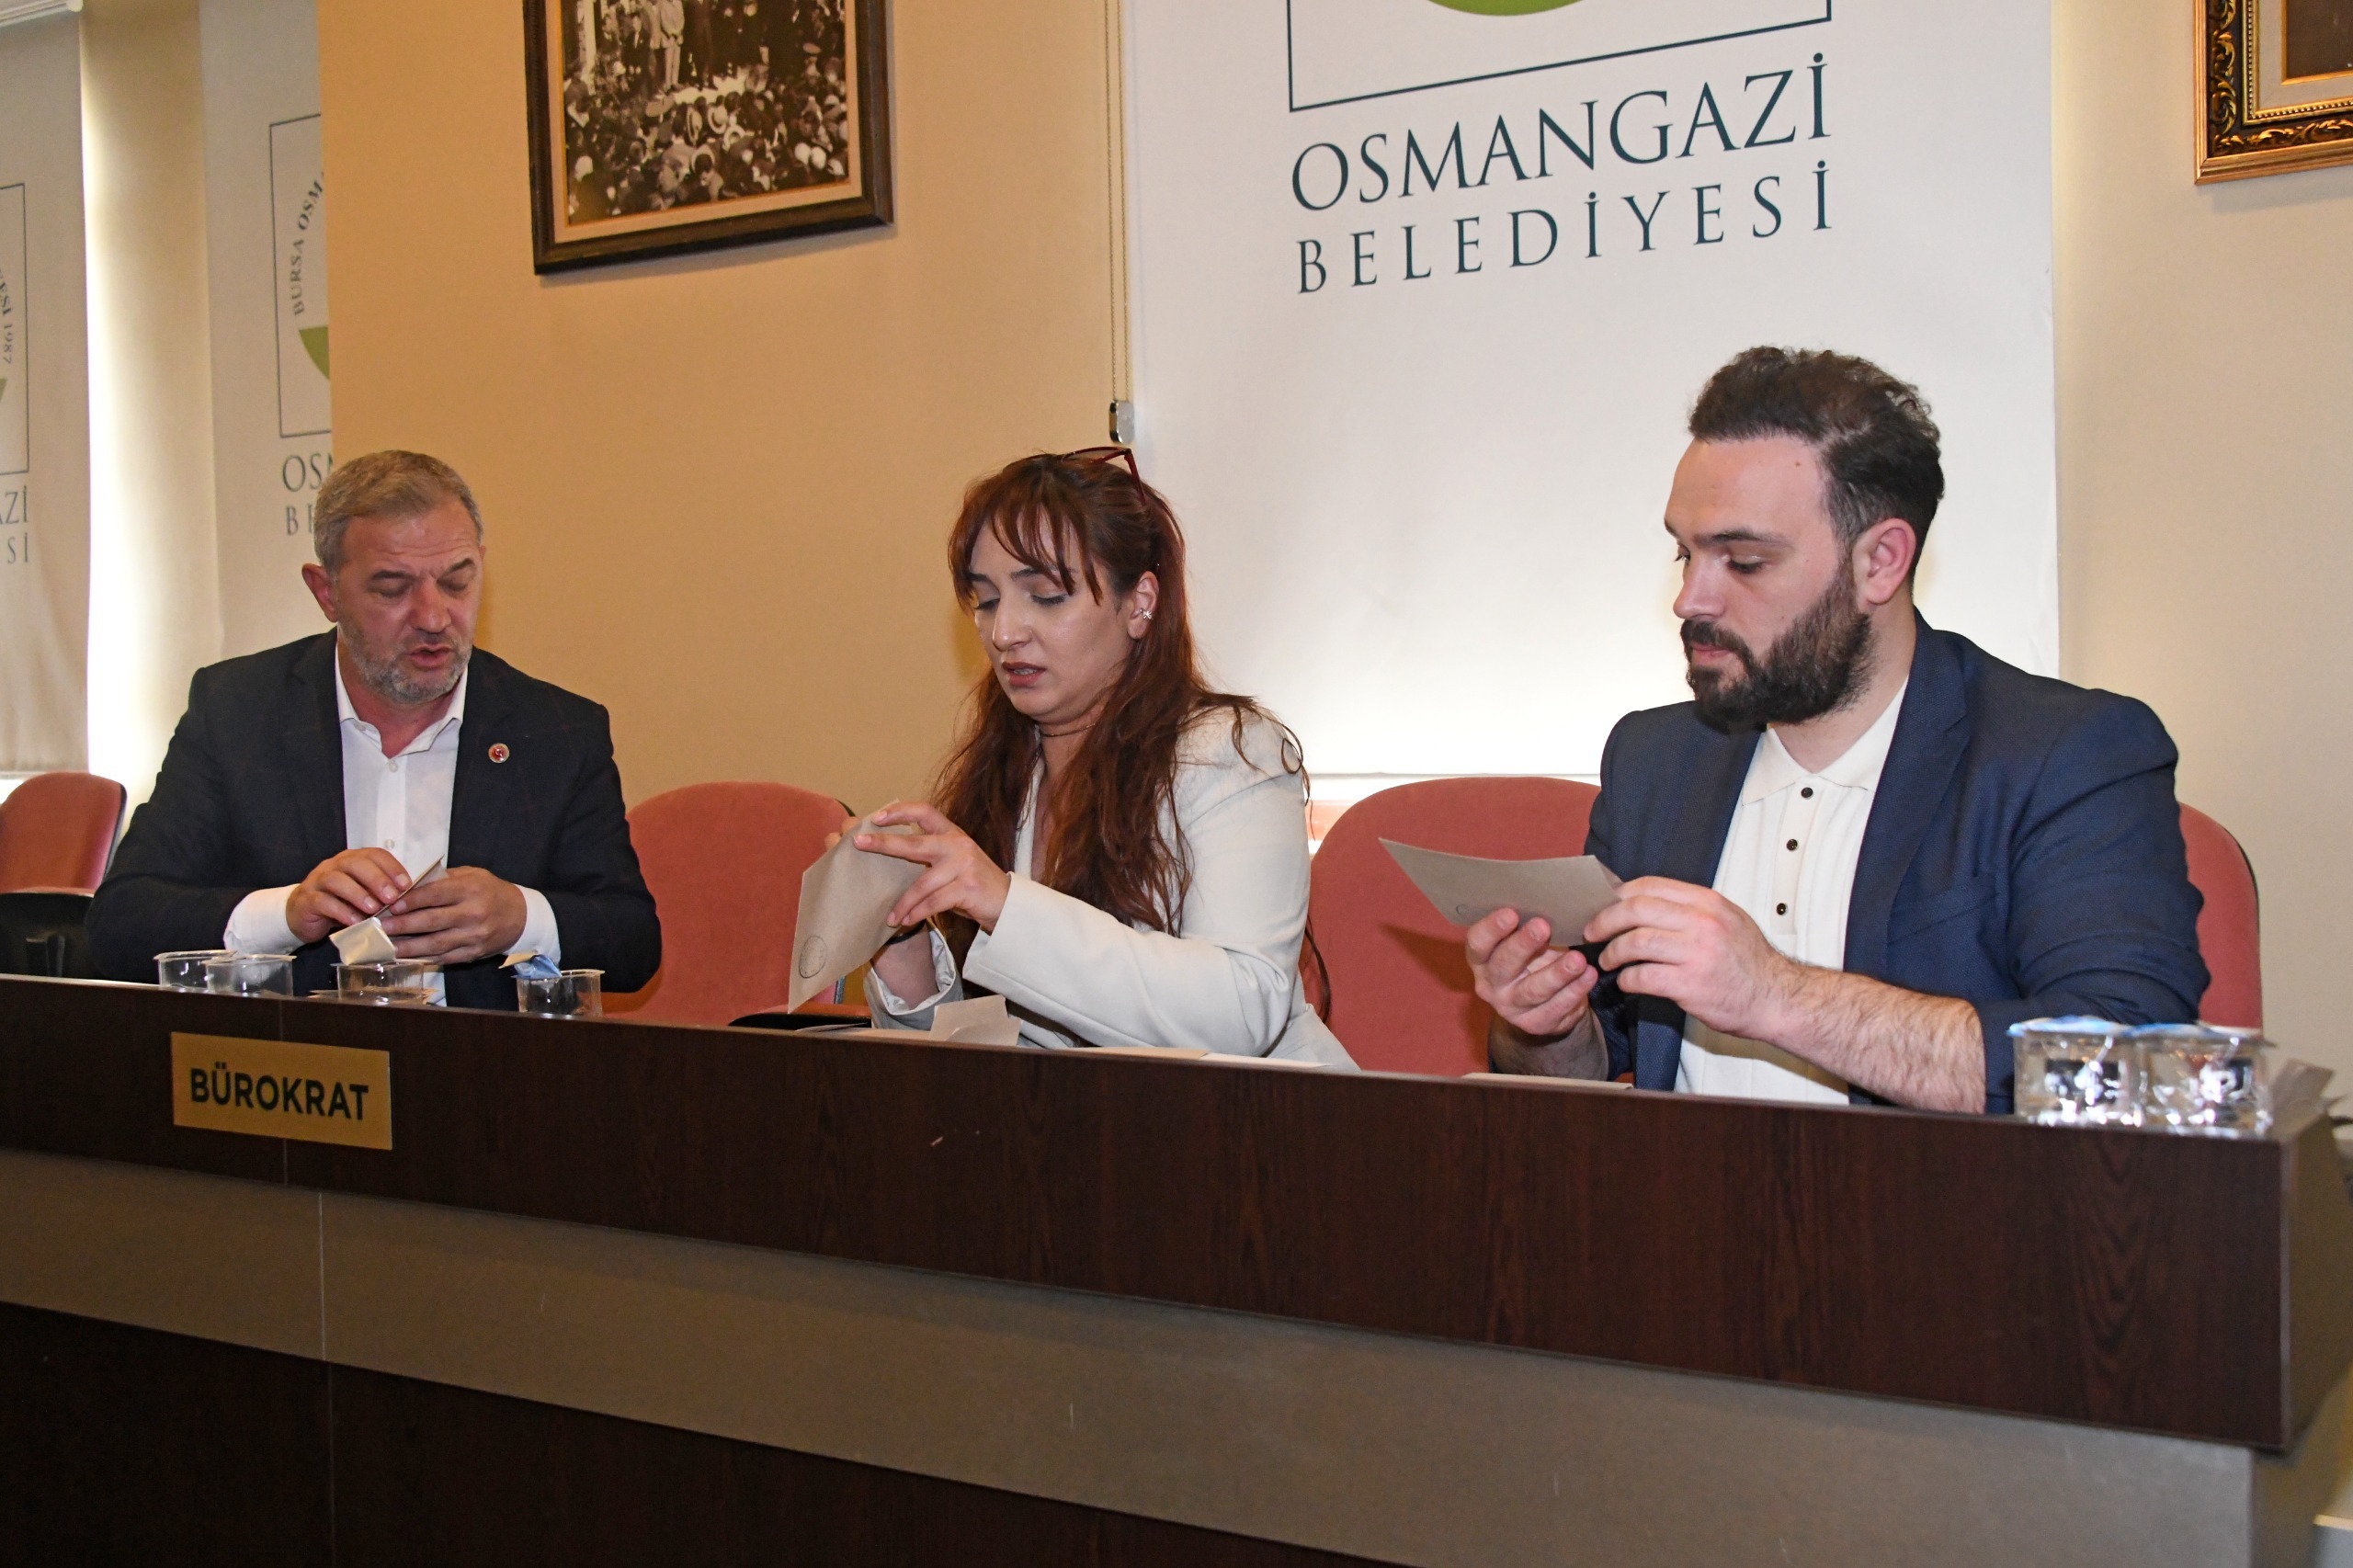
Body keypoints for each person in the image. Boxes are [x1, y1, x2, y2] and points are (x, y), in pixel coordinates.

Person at [1469, 347, 2205, 1114]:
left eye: (1744, 561)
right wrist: (1545, 1025)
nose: (1690, 599)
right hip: (1676, 1190)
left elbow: (2127, 1068)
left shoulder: (2064, 754)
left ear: (1880, 562)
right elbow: (1595, 1065)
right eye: (1685, 553)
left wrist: (1775, 995)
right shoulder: (1656, 759)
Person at [87, 450, 661, 1009]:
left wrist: (520, 918)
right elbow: (120, 924)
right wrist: (286, 914)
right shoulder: (238, 712)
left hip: (483, 1062)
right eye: (393, 588)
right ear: (327, 592)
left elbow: (634, 944)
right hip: (301, 1060)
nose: (433, 617)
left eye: (457, 582)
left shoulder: (557, 731)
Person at [852, 449, 1355, 1067]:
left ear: (1139, 603)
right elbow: (994, 1060)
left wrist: (1006, 905)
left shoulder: (1230, 752)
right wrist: (906, 959)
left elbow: (1242, 1010)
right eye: (985, 600)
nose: (1004, 632)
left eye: (1045, 596)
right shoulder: (1006, 767)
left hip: (1264, 1119)